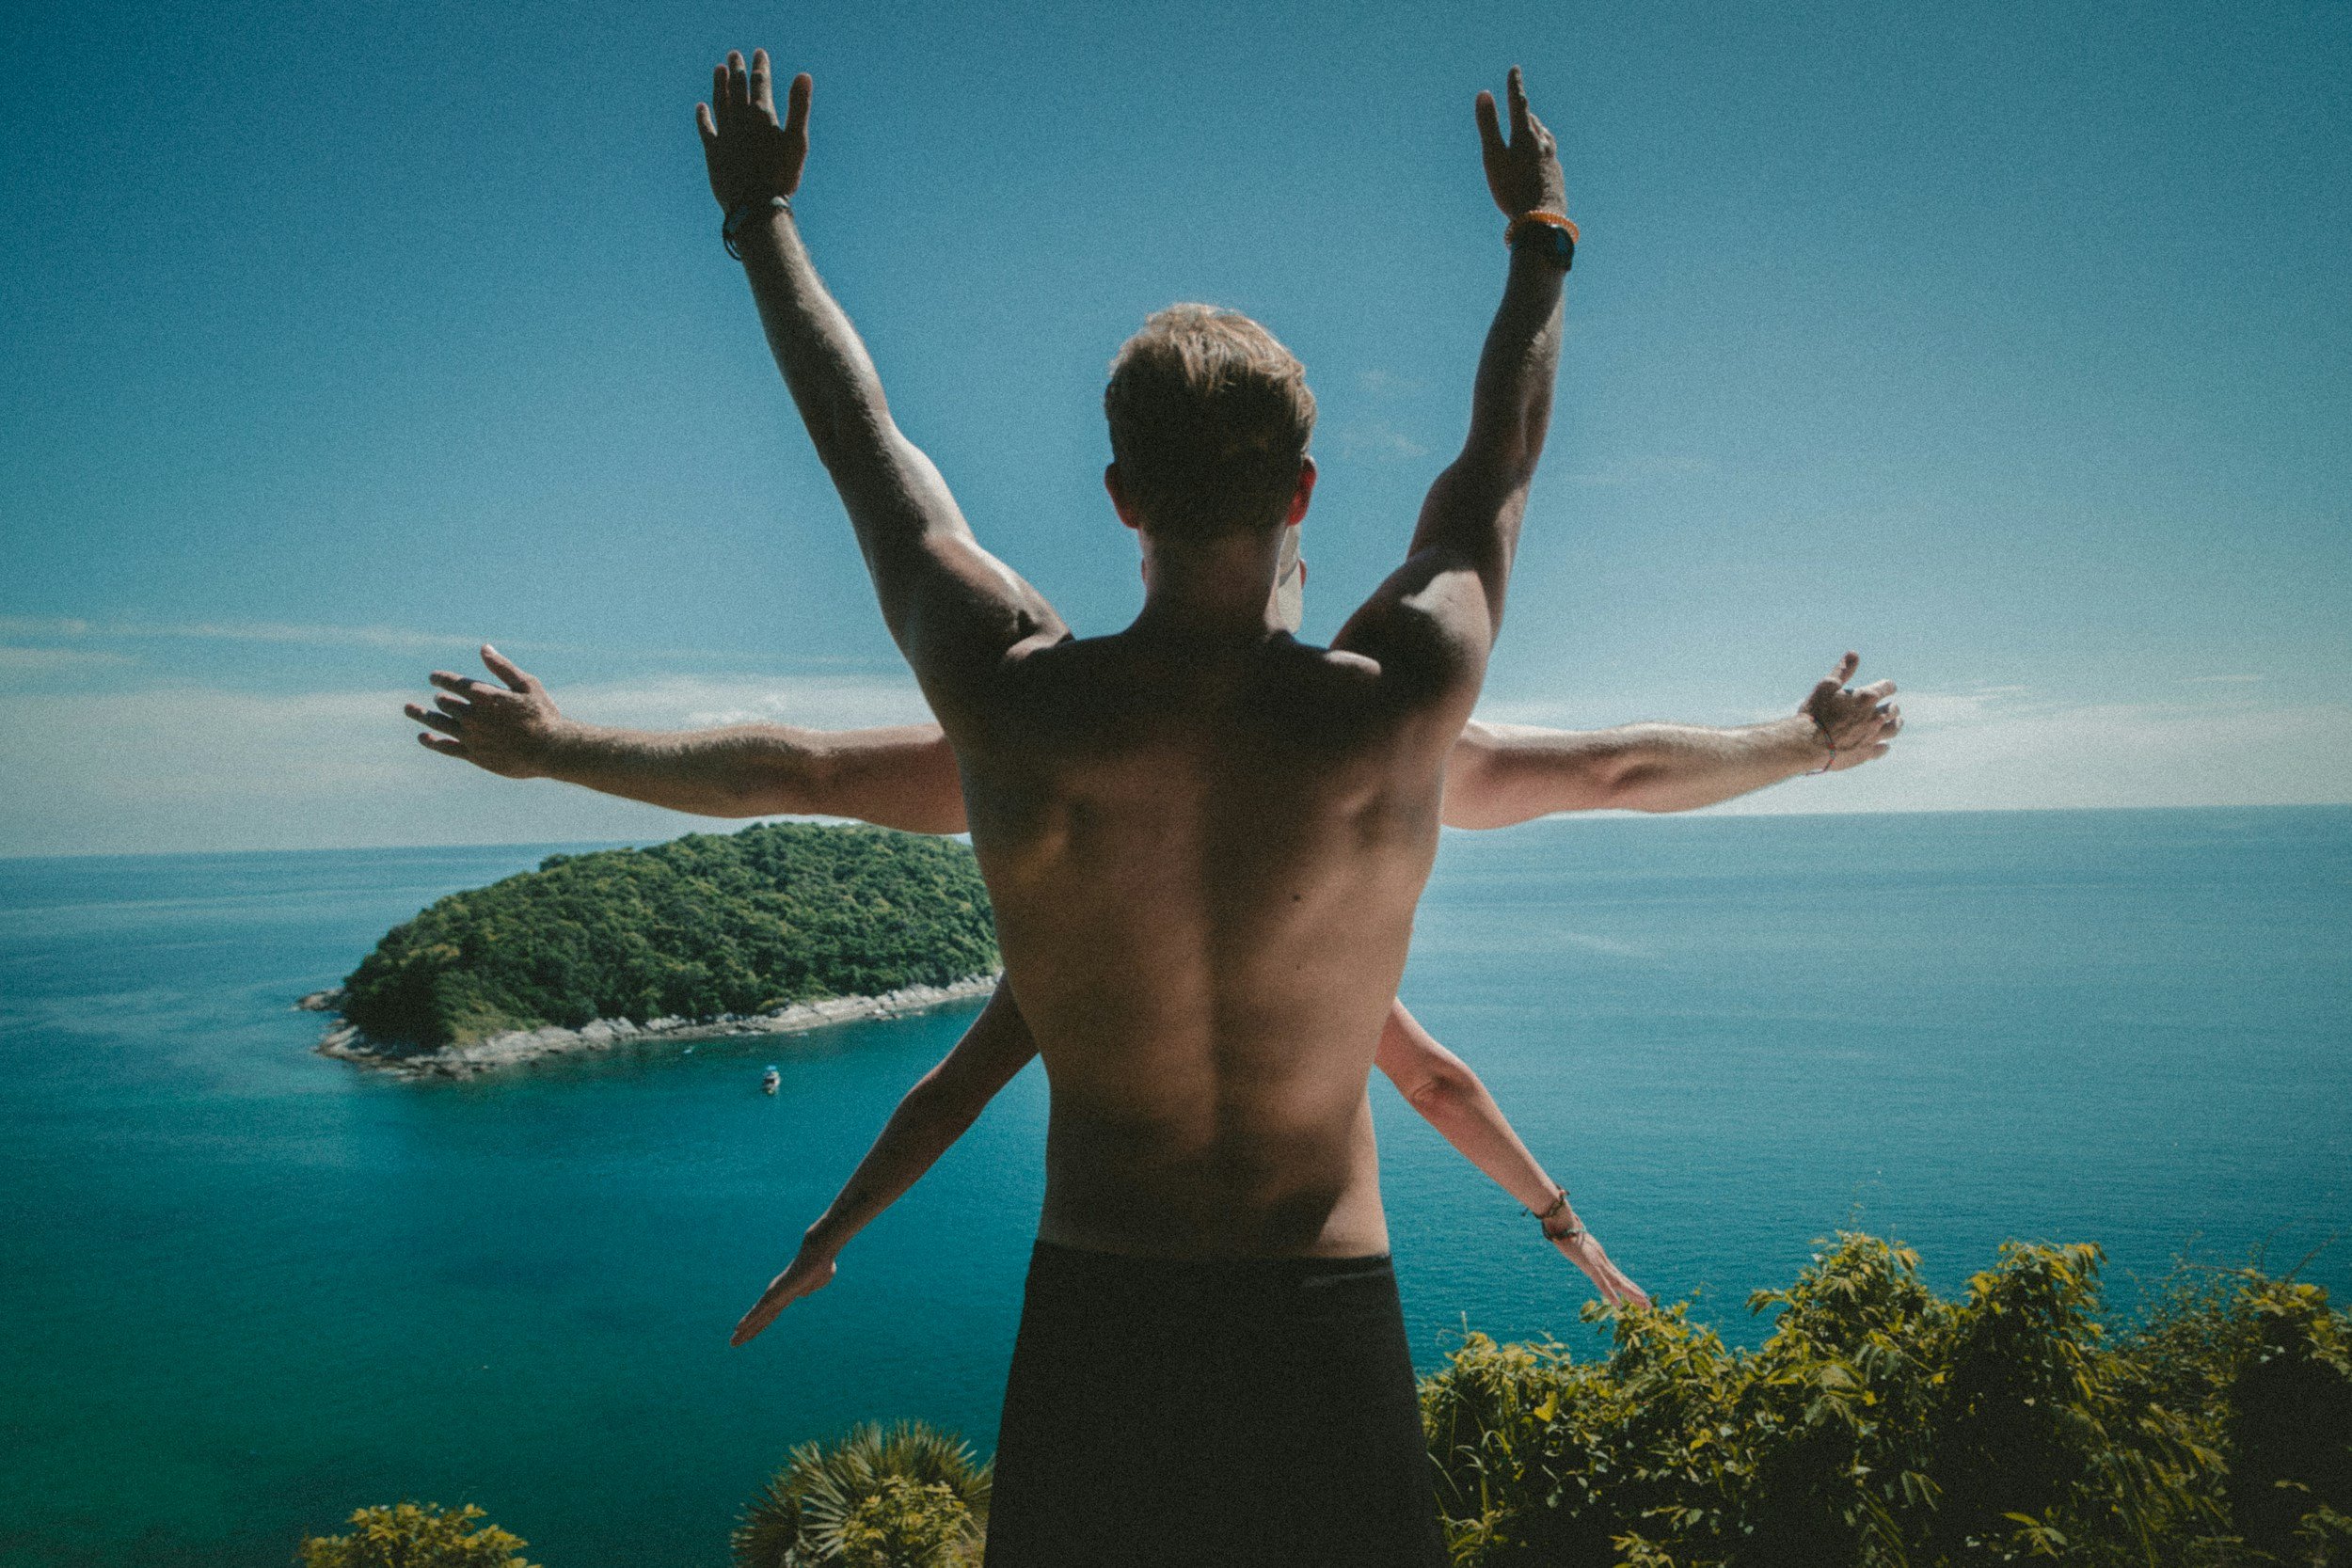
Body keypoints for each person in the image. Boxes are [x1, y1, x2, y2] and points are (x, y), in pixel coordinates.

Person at [687, 50, 1876, 1562]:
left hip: (1101, 1308)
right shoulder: (1398, 699)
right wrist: (1541, 238)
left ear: (1121, 494)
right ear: (1305, 491)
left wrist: (763, 225)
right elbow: (1503, 473)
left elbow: (873, 468)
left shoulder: (1015, 700)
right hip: (1323, 1306)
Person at [405, 633, 1896, 1317]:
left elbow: (806, 791)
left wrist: (825, 1233)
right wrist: (1803, 742)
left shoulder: (1074, 911)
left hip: (1105, 1306)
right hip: (1318, 1297)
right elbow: (1451, 1062)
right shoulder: (1323, 903)